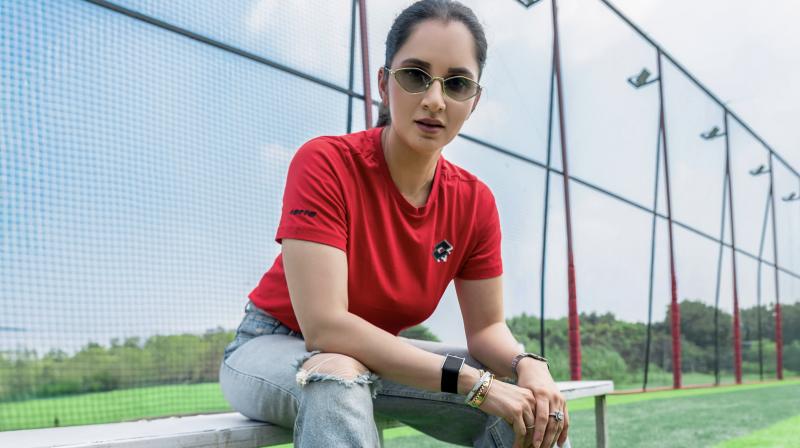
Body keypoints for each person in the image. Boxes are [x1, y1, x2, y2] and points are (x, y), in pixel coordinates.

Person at [219, 1, 570, 447]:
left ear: (473, 101)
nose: (434, 100)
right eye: (415, 75)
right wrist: (473, 384)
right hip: (277, 343)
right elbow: (326, 328)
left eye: (457, 83)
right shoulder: (326, 163)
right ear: (384, 84)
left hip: (375, 354)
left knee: (532, 402)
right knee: (337, 376)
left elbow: (486, 330)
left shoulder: (475, 202)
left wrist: (528, 364)